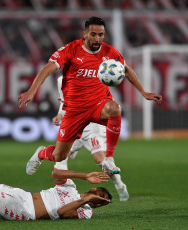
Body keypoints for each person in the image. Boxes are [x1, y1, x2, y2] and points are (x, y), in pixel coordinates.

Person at [18, 16, 162, 176]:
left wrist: (144, 92)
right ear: (85, 34)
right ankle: (41, 153)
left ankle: (109, 157)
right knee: (60, 155)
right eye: (93, 34)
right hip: (74, 111)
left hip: (98, 105)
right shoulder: (71, 50)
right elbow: (47, 69)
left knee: (115, 108)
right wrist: (31, 91)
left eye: (101, 35)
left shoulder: (110, 52)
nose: (97, 38)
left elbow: (126, 70)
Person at [53, 76, 129, 201]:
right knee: (60, 156)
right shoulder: (61, 80)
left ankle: (120, 185)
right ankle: (62, 191)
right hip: (74, 122)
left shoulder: (95, 75)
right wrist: (60, 114)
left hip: (92, 125)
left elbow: (107, 100)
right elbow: (65, 101)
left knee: (100, 159)